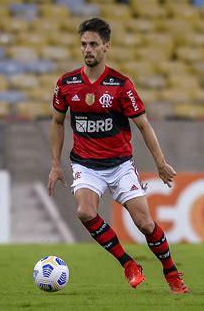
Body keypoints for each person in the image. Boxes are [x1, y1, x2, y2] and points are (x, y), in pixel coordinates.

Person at [47, 18, 188, 294]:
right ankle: (128, 264)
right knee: (85, 212)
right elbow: (56, 122)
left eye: (93, 44)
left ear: (106, 47)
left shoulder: (120, 85)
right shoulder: (66, 84)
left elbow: (143, 125)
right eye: (84, 44)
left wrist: (160, 163)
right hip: (85, 165)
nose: (88, 49)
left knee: (145, 224)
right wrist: (55, 164)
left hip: (120, 165)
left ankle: (171, 272)